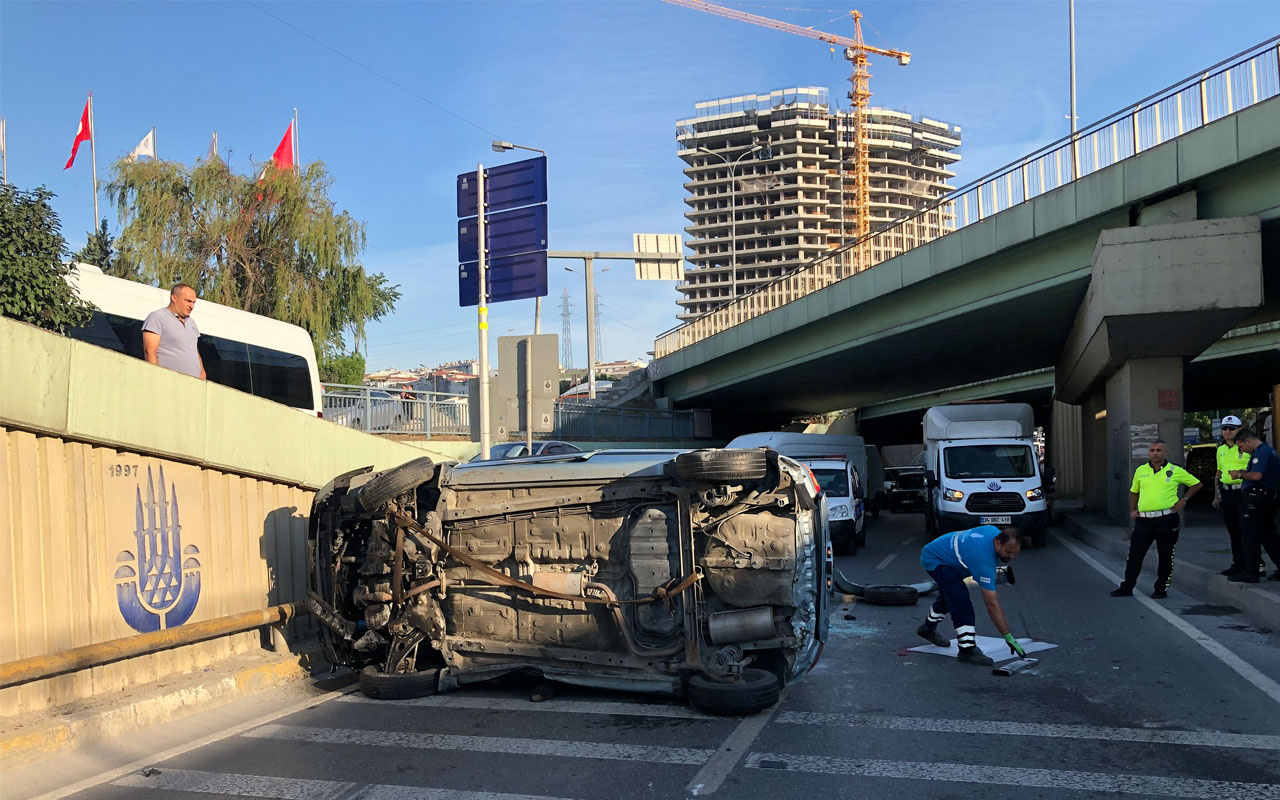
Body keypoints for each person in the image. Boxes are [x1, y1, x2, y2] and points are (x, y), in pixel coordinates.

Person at [917, 525, 1026, 667]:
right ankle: (966, 650)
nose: (1011, 557)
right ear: (998, 543)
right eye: (1009, 552)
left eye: (1015, 553)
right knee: (960, 600)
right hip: (935, 559)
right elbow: (991, 602)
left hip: (948, 555)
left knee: (948, 597)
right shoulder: (983, 558)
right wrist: (1007, 635)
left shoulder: (994, 533)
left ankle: (927, 629)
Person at [1111, 440, 1201, 599]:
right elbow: (1133, 491)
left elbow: (1196, 484)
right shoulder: (1141, 470)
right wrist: (1132, 510)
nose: (1155, 453)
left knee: (1166, 555)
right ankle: (1127, 586)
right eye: (1152, 450)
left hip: (1167, 519)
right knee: (1135, 554)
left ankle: (1161, 589)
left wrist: (1184, 500)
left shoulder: (1175, 470)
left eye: (1158, 450)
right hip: (1144, 520)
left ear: (1165, 452)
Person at [1227, 428, 1280, 583]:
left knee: (1250, 535)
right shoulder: (1270, 451)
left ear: (1248, 441)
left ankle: (1251, 572)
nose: (1241, 451)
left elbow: (1257, 475)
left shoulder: (1261, 452)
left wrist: (1240, 474)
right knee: (1269, 535)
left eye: (1241, 447)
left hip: (1256, 498)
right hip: (1266, 497)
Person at [1214, 416, 1253, 577]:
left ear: (1239, 429)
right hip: (1226, 492)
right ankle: (1238, 563)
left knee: (1247, 529)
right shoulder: (1221, 450)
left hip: (1243, 492)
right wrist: (1216, 496)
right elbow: (1218, 473)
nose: (1228, 432)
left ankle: (1252, 565)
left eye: (1232, 428)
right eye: (1224, 428)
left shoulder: (1247, 447)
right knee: (1233, 530)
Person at [141, 283, 206, 380]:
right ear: (174, 298)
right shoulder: (157, 317)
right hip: (169, 383)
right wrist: (155, 379)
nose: (191, 306)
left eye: (193, 302)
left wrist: (202, 376)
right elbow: (150, 351)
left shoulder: (191, 323)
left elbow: (194, 351)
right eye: (188, 301)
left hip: (193, 387)